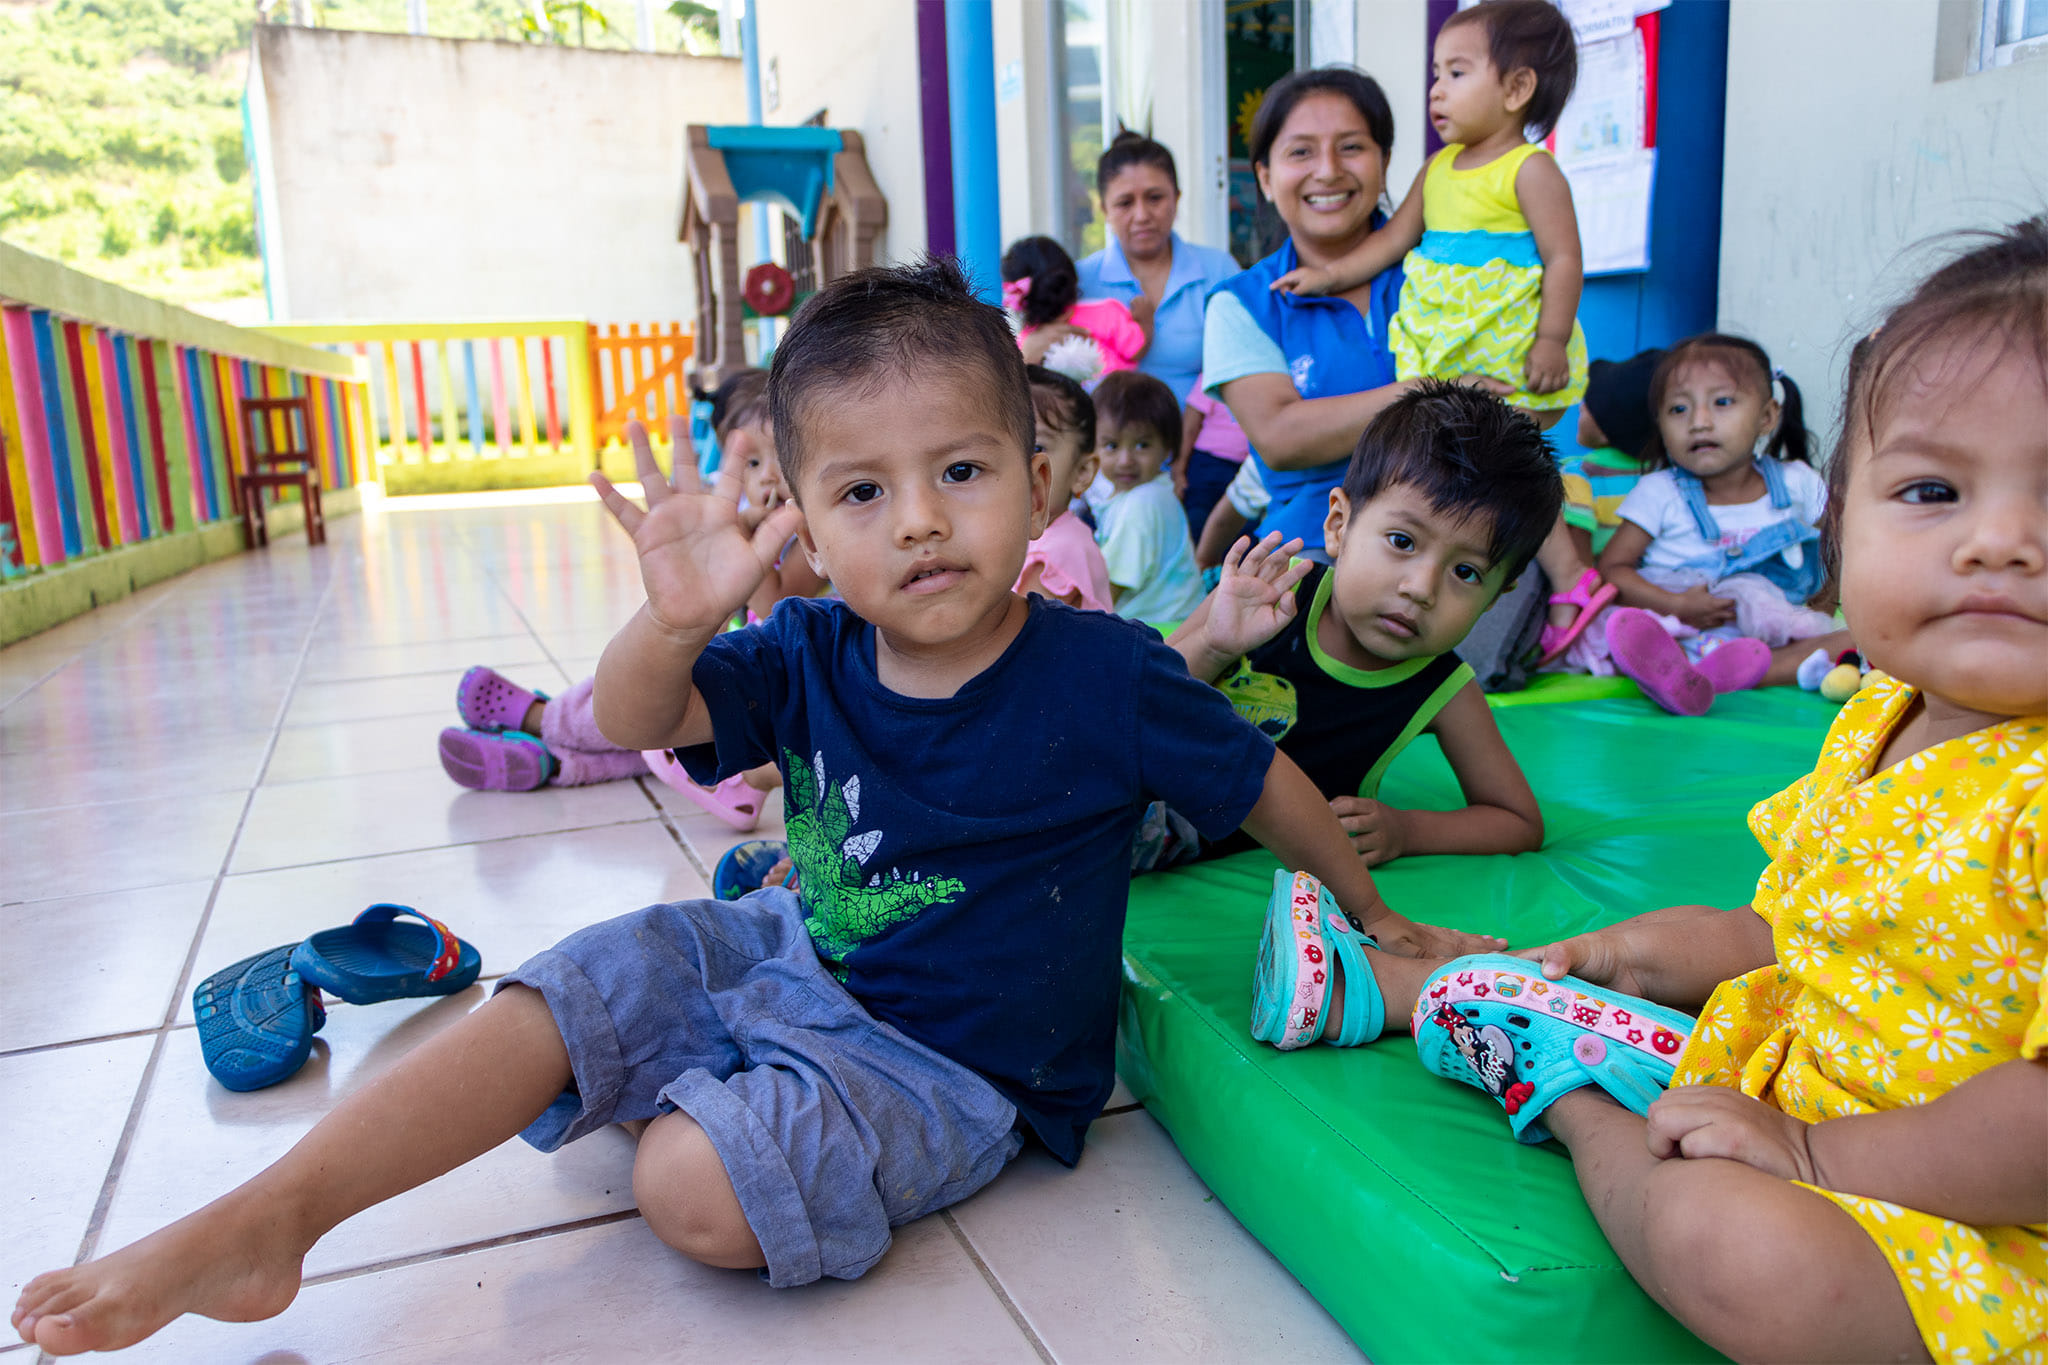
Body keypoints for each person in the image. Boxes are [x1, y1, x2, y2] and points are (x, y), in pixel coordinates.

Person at [10, 257, 1503, 1357]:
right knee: (563, 985)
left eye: (960, 470)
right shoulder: (805, 647)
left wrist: (1371, 912)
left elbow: (1262, 780)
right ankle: (270, 1220)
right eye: (861, 493)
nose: (919, 519)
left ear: (1040, 480)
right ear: (798, 514)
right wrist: (672, 620)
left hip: (955, 1066)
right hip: (791, 949)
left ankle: (681, 1090)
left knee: (690, 1189)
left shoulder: (1106, 673)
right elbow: (632, 721)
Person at [1242, 217, 2048, 1365]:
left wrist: (1810, 1157)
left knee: (1740, 1254)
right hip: (1791, 1070)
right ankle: (1429, 991)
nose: (1999, 543)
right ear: (1836, 526)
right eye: (1931, 491)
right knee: (1606, 967)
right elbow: (1783, 933)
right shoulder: (1879, 718)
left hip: (1969, 1211)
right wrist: (1615, 954)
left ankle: (1566, 1098)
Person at [1168, 381, 1551, 868]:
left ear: (1495, 597)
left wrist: (1406, 830)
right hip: (1137, 791)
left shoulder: (1444, 688)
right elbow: (1136, 696)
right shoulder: (1270, 591)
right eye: (1402, 542)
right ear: (1338, 525)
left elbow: (1517, 820)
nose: (1421, 589)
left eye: (1465, 572)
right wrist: (1214, 646)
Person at [435, 373, 802, 829]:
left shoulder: (806, 537)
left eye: (782, 458)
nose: (769, 475)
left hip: (750, 697)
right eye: (752, 462)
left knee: (666, 714)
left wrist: (755, 548)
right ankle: (556, 764)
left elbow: (776, 609)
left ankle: (539, 719)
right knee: (649, 709)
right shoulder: (731, 527)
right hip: (717, 702)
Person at [1203, 68, 1486, 557]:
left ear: (1384, 162)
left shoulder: (1449, 266)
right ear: (1266, 178)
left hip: (1464, 536)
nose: (1328, 170)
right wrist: (1436, 392)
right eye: (1301, 152)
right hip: (1314, 549)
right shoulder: (1242, 303)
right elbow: (1280, 437)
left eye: (1351, 147)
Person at [1272, 0, 1588, 426]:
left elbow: (1563, 258)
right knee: (1442, 435)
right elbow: (1391, 240)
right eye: (1437, 74)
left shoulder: (1529, 169)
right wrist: (1329, 276)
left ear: (1516, 89)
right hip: (1443, 341)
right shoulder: (1437, 168)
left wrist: (1551, 339)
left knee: (1502, 435)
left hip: (1508, 345)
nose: (1436, 90)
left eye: (1456, 73)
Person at [1574, 334, 1853, 715]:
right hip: (1686, 634)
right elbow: (1612, 570)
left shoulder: (1798, 482)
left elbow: (1841, 546)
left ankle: (1720, 677)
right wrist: (1677, 605)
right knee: (1631, 633)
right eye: (1678, 409)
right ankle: (1687, 672)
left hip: (1778, 640)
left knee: (1856, 638)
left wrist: (1820, 606)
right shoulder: (1660, 492)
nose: (1699, 423)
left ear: (1767, 416)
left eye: (1722, 403)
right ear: (1660, 425)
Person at [1077, 131, 1241, 407]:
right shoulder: (1078, 282)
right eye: (1125, 203)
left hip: (1205, 435)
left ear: (1177, 198)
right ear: (1104, 209)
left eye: (1155, 198)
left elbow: (1240, 366)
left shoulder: (1219, 270)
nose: (1142, 215)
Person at [1532, 348, 1665, 667]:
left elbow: (1578, 546)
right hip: (1650, 592)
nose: (1580, 406)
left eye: (1588, 404)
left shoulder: (1580, 474)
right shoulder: (1663, 474)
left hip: (1601, 595)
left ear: (1607, 429)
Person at [1091, 370, 1206, 621]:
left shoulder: (1141, 503)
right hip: (1178, 622)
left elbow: (1110, 588)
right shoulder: (1152, 492)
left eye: (1142, 445)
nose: (1126, 460)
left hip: (1159, 628)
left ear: (1167, 447)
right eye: (1112, 445)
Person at [1017, 365, 1113, 612]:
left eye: (1036, 448)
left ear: (1082, 472)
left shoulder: (1058, 552)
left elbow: (1023, 636)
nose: (1015, 462)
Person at [1002, 235, 1151, 378]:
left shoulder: (1026, 343)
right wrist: (1146, 321)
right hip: (1114, 393)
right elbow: (1136, 349)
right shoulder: (1107, 313)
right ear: (1072, 277)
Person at [1177, 371, 1250, 543]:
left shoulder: (1271, 376)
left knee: (1242, 532)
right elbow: (1190, 425)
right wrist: (1178, 469)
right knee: (1197, 522)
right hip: (1207, 463)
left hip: (1247, 469)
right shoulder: (1215, 371)